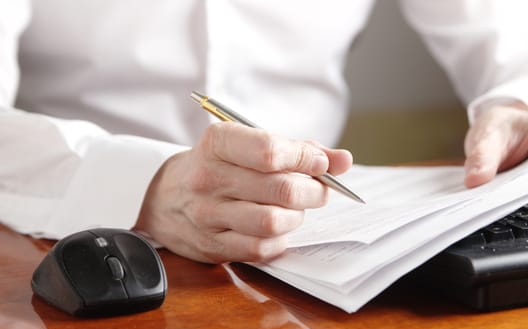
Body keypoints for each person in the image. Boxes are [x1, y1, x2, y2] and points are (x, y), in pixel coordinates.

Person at [1, 1, 528, 263]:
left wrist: (514, 99)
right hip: (60, 243)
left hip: (308, 251)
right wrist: (146, 187)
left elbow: (507, 40)